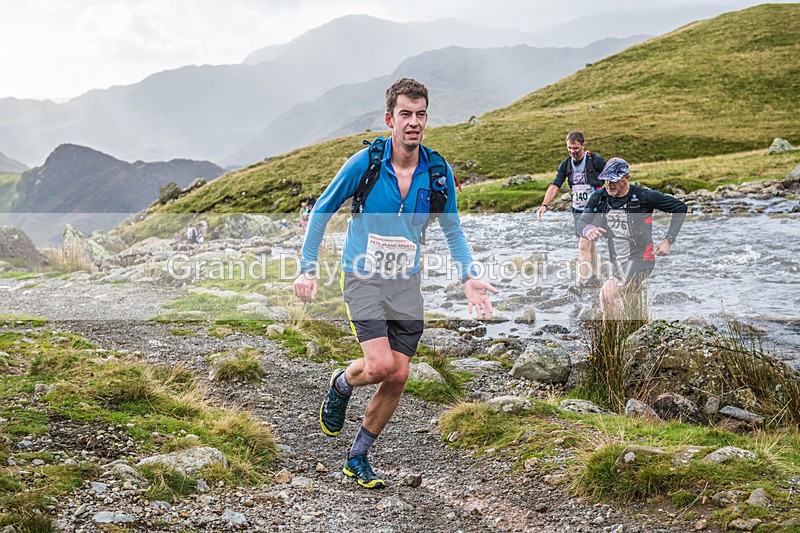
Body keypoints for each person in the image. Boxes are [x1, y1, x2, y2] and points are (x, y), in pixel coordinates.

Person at [293, 78, 498, 489]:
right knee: (381, 366)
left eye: (421, 115)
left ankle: (357, 457)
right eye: (405, 114)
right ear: (390, 119)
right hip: (363, 278)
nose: (414, 122)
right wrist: (307, 266)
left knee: (399, 375)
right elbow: (322, 209)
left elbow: (453, 229)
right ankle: (341, 383)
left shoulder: (437, 173)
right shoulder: (365, 164)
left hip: (406, 283)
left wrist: (469, 275)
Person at [578, 157, 687, 317]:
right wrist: (588, 229)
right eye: (606, 180)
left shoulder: (644, 196)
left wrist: (668, 240)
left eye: (614, 180)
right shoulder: (600, 196)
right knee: (630, 304)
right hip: (617, 259)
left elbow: (680, 207)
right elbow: (582, 221)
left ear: (627, 178)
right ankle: (634, 334)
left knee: (606, 294)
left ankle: (612, 339)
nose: (609, 184)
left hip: (642, 258)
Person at [536, 132, 606, 290]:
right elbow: (555, 185)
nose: (573, 151)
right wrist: (544, 205)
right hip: (578, 210)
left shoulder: (596, 160)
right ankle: (595, 276)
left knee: (583, 244)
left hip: (595, 209)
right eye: (569, 148)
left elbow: (610, 178)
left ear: (583, 145)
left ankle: (579, 283)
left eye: (576, 148)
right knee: (589, 243)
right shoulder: (566, 164)